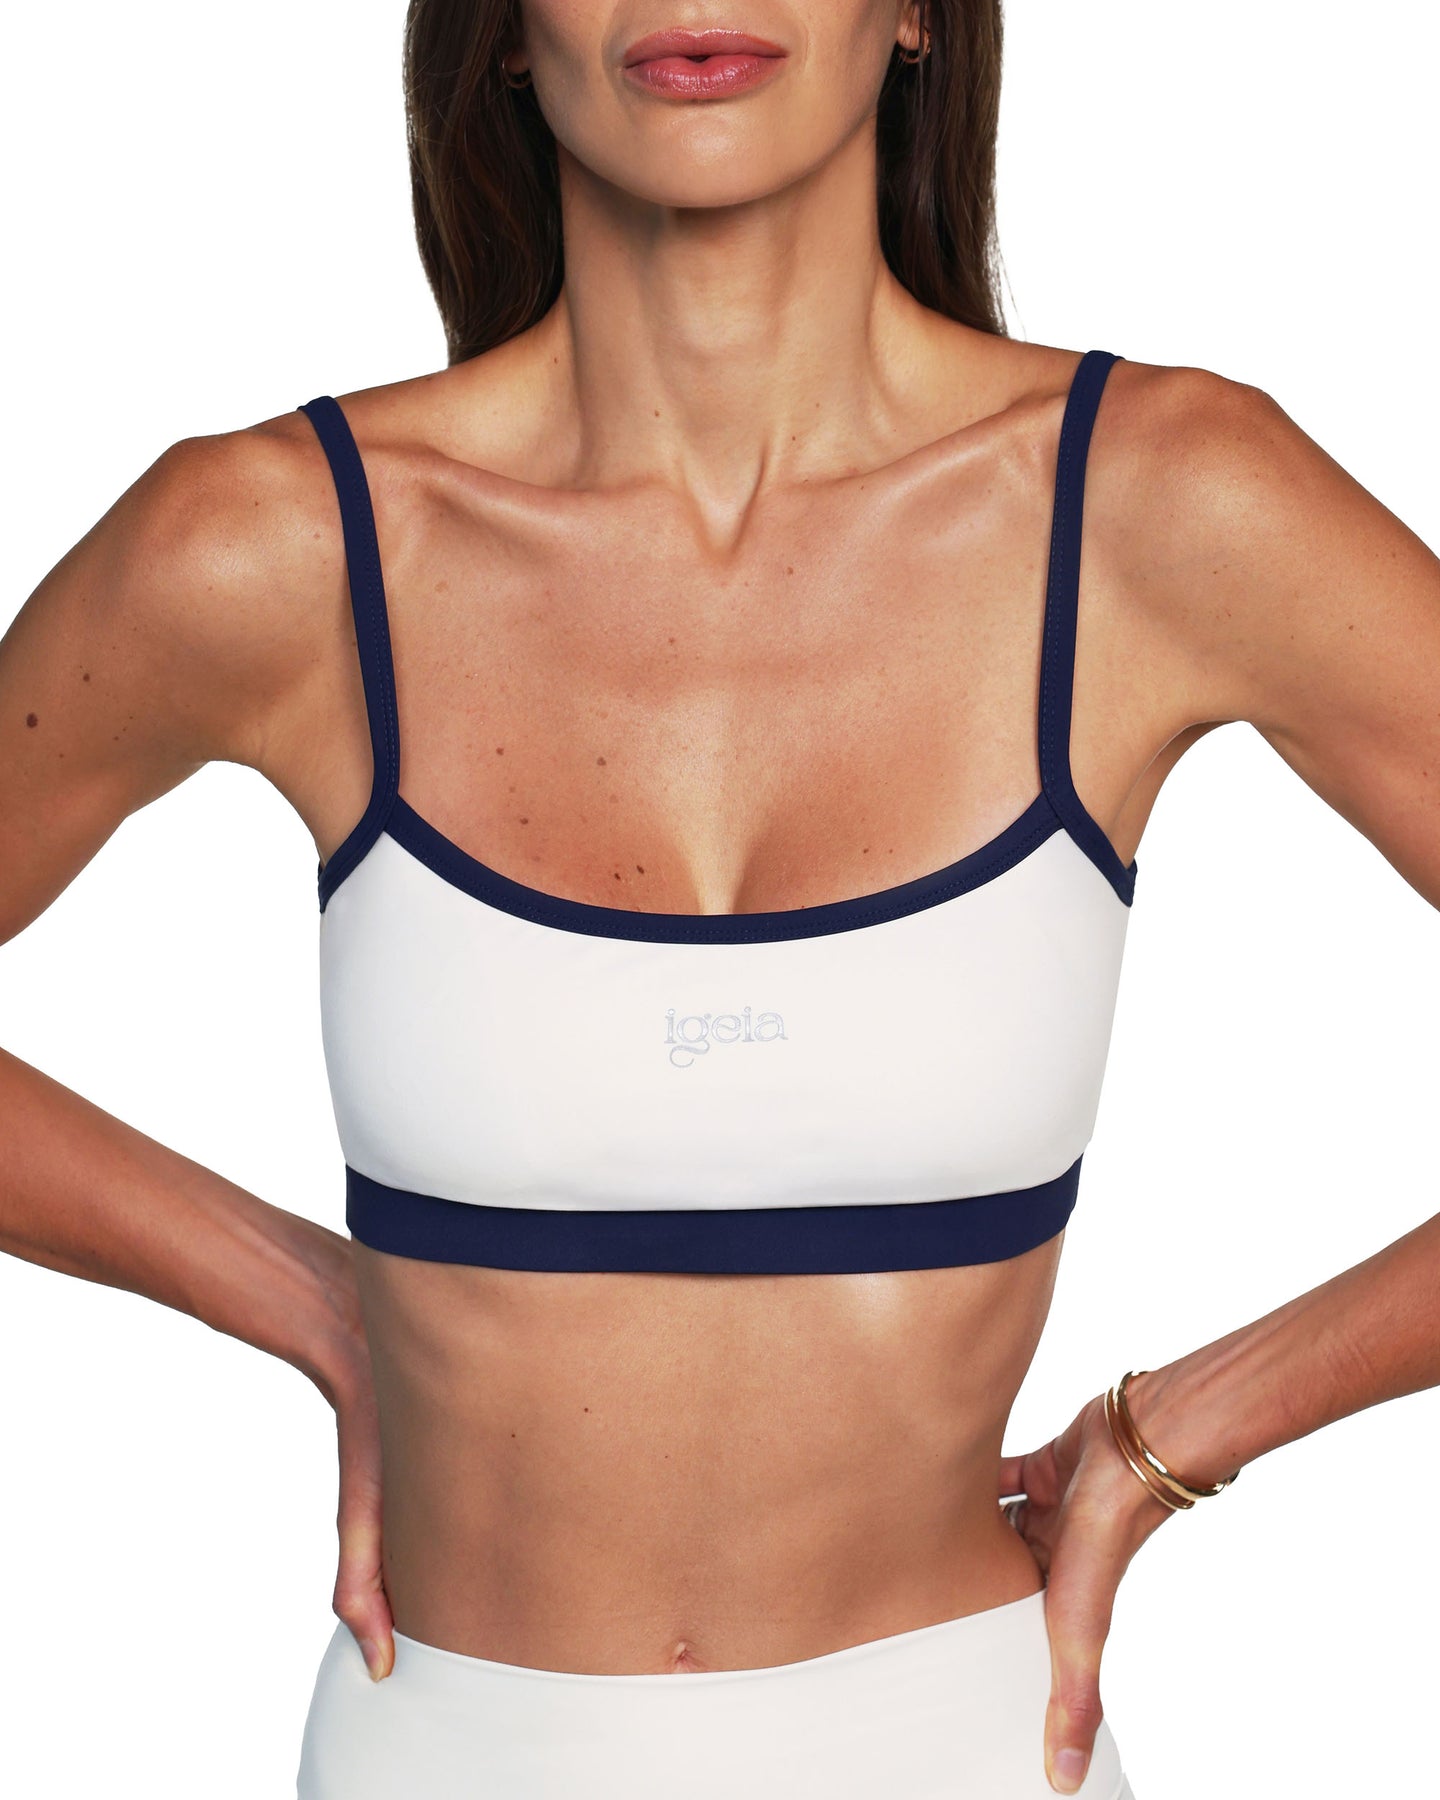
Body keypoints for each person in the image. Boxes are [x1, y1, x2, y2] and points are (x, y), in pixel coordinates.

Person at [3, 3, 1438, 1796]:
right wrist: (307, 1294)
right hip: (447, 1747)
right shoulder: (272, 546)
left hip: (963, 1748)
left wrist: (1190, 1426)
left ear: (914, 14)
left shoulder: (1161, 507)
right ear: (502, 33)